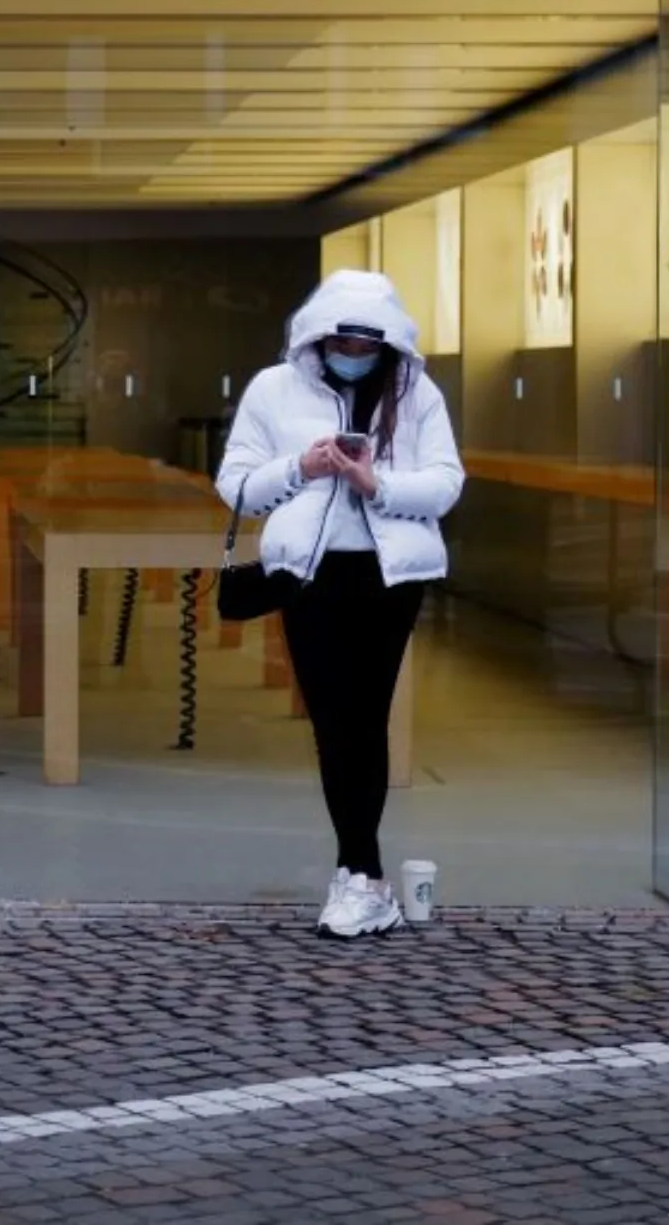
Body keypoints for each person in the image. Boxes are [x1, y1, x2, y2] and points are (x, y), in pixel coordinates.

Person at [215, 269, 464, 939]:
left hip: (389, 577)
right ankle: (361, 874)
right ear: (318, 336)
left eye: (366, 341)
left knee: (366, 717)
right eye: (342, 338)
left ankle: (360, 873)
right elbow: (235, 486)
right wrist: (303, 467)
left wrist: (373, 483)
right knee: (332, 722)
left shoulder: (415, 393)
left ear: (388, 344)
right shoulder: (274, 389)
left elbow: (445, 484)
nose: (353, 350)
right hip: (307, 574)